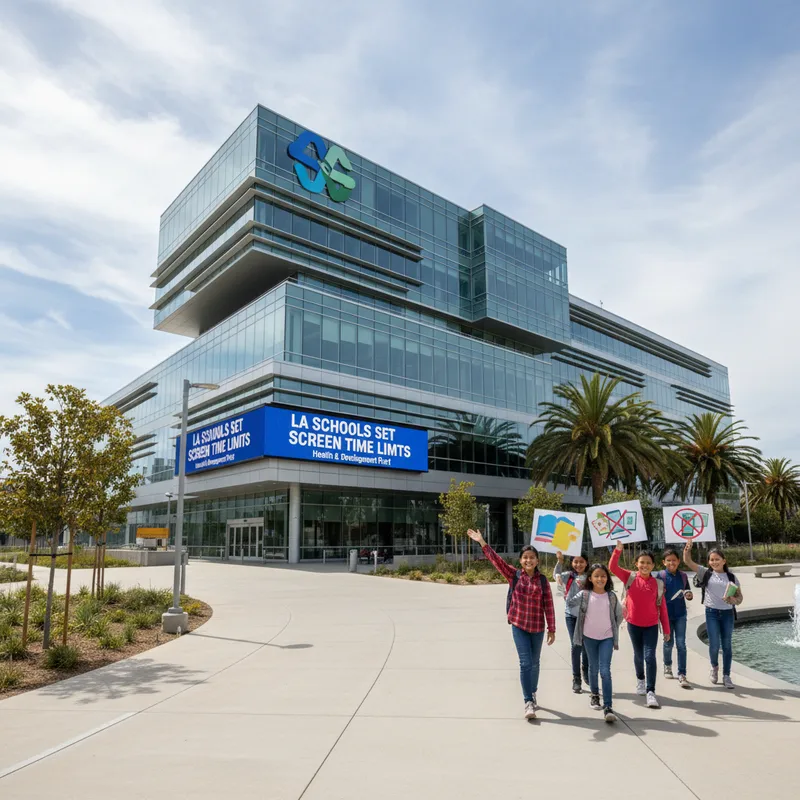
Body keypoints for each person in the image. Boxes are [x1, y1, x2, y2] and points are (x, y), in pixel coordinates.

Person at [467, 528, 555, 720]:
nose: (529, 560)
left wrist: (552, 629)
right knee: (525, 663)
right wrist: (482, 542)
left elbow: (548, 605)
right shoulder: (514, 575)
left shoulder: (543, 581)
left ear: (537, 561)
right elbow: (497, 561)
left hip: (537, 628)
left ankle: (533, 691)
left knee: (535, 663)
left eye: (532, 557)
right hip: (519, 625)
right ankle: (528, 701)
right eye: (525, 557)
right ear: (521, 560)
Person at [609, 541, 670, 709]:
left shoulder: (657, 584)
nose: (645, 565)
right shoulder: (629, 577)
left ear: (653, 566)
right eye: (642, 562)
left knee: (650, 656)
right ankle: (640, 680)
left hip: (651, 626)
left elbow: (662, 608)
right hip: (633, 624)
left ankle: (651, 691)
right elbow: (613, 567)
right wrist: (617, 550)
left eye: (648, 563)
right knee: (638, 654)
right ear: (636, 564)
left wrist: (666, 629)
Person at [682, 542, 742, 689]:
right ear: (709, 562)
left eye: (717, 559)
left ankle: (726, 675)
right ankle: (714, 667)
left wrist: (732, 600)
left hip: (727, 613)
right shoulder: (705, 573)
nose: (714, 562)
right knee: (714, 644)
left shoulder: (732, 577)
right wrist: (687, 550)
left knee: (727, 645)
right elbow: (688, 561)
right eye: (711, 560)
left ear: (724, 561)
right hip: (712, 613)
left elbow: (740, 598)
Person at [569, 563, 623, 723]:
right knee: (593, 668)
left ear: (608, 578)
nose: (600, 579)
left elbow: (619, 615)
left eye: (603, 576)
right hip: (589, 637)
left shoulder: (611, 596)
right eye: (596, 576)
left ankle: (608, 707)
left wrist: (613, 628)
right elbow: (570, 603)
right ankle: (594, 695)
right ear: (590, 578)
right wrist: (574, 587)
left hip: (607, 638)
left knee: (605, 670)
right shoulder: (584, 594)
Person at [655, 548, 693, 688]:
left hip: (681, 614)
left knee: (681, 644)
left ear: (678, 561)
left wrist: (689, 595)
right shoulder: (660, 576)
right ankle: (668, 666)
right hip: (665, 616)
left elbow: (687, 590)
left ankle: (682, 673)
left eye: (674, 560)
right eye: (668, 560)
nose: (672, 563)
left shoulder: (683, 576)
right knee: (668, 642)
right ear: (664, 562)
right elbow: (655, 594)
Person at [554, 551, 590, 693]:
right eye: (575, 561)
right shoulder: (568, 575)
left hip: (587, 616)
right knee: (576, 645)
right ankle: (576, 678)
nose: (578, 564)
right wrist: (560, 561)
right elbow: (556, 575)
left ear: (586, 563)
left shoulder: (591, 576)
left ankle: (586, 670)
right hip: (571, 615)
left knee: (586, 645)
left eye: (581, 561)